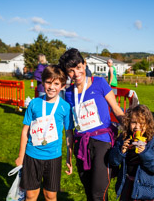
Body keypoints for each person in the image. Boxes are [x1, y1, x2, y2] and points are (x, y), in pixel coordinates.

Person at [59, 48, 124, 201]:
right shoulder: (68, 93)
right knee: (89, 192)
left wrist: (131, 128)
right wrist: (69, 155)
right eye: (71, 71)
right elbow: (69, 129)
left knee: (98, 193)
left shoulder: (100, 83)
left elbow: (116, 109)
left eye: (79, 67)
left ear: (84, 64)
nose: (76, 73)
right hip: (81, 144)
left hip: (103, 143)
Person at [15, 65, 74, 201]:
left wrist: (69, 158)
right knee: (30, 195)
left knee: (50, 195)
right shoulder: (34, 103)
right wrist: (20, 156)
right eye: (48, 82)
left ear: (62, 86)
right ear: (42, 82)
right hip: (32, 155)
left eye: (56, 84)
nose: (51, 87)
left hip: (53, 157)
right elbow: (25, 131)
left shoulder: (65, 107)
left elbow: (69, 134)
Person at [109, 105, 154, 201]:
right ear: (128, 122)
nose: (137, 127)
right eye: (134, 122)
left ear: (148, 124)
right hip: (128, 185)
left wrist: (145, 152)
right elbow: (113, 161)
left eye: (141, 123)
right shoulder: (124, 138)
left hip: (146, 191)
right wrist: (121, 151)